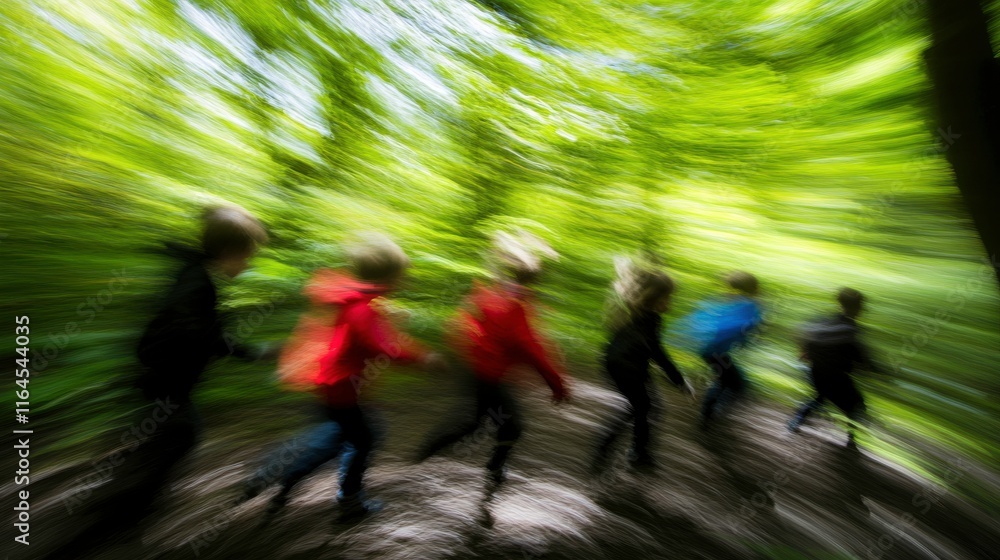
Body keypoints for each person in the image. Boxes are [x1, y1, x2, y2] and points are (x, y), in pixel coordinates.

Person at [47, 205, 269, 559]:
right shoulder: (197, 283)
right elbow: (195, 330)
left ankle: (117, 518)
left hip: (161, 387)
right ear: (230, 252)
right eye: (248, 256)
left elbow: (205, 334)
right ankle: (103, 529)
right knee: (171, 442)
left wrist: (249, 351)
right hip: (164, 389)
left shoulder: (194, 275)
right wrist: (238, 349)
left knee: (169, 443)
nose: (248, 264)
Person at [300, 235, 441, 521]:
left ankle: (290, 475)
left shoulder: (361, 300)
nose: (404, 281)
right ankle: (345, 499)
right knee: (360, 440)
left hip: (338, 385)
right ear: (389, 276)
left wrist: (391, 320)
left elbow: (371, 335)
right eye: (401, 276)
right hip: (342, 388)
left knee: (352, 435)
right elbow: (382, 347)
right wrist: (424, 358)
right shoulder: (363, 308)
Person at [415, 230, 570, 485]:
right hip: (490, 378)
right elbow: (531, 349)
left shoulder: (494, 294)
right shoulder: (516, 305)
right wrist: (557, 386)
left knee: (479, 423)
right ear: (535, 279)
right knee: (502, 425)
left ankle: (433, 457)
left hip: (478, 372)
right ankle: (483, 467)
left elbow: (465, 325)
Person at [592, 258, 695, 471]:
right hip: (626, 367)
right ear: (655, 299)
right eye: (668, 298)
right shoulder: (649, 319)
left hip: (623, 364)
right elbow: (658, 353)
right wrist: (679, 380)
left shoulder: (637, 313)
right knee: (641, 407)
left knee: (647, 406)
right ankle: (625, 452)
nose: (670, 303)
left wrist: (677, 379)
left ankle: (636, 452)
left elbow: (649, 351)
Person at [788, 288, 883, 446]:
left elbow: (800, 333)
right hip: (838, 378)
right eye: (861, 307)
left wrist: (804, 351)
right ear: (858, 308)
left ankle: (795, 422)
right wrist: (876, 371)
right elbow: (861, 357)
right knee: (857, 406)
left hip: (816, 373)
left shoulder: (823, 321)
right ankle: (852, 441)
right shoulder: (851, 330)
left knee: (820, 397)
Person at [692, 271, 763, 428]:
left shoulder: (732, 301)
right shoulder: (746, 305)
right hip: (715, 351)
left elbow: (739, 328)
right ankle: (710, 415)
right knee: (736, 384)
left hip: (712, 350)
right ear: (753, 287)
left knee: (727, 381)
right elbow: (745, 327)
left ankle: (709, 415)